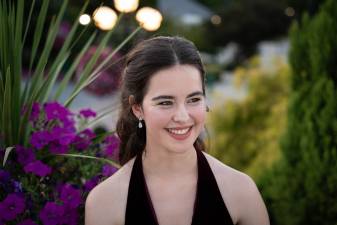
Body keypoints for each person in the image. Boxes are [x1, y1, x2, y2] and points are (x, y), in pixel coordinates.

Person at [85, 36, 270, 225]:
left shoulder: (240, 191)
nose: (182, 117)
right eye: (165, 102)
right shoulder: (105, 202)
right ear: (137, 107)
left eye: (193, 99)